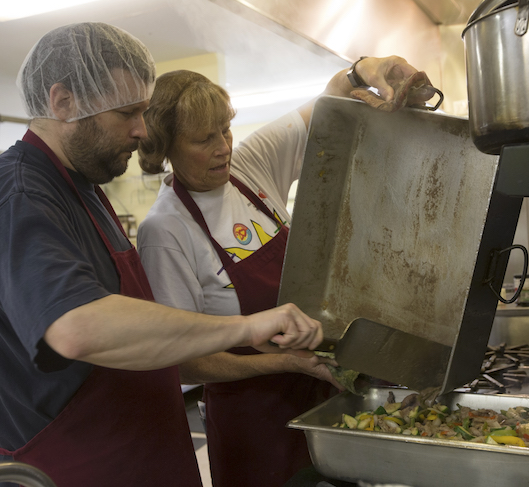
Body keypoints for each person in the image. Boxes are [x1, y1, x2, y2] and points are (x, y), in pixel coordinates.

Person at [0, 22, 327, 487]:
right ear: (63, 102)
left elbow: (145, 338)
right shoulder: (16, 191)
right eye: (127, 112)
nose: (142, 131)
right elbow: (76, 327)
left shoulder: (84, 189)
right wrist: (246, 327)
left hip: (139, 457)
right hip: (72, 468)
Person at [136, 56, 435, 487]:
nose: (223, 146)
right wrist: (281, 363)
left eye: (226, 128)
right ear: (167, 147)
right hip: (253, 420)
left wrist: (367, 69)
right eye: (204, 139)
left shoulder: (247, 166)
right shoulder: (166, 230)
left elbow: (329, 101)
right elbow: (184, 362)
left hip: (321, 394)